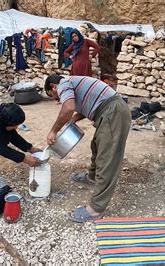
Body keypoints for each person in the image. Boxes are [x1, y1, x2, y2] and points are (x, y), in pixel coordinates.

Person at [44, 75, 131, 223]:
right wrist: (74, 119)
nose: (56, 100)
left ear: (54, 87)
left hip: (113, 113)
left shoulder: (64, 83)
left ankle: (96, 209)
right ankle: (92, 177)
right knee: (97, 145)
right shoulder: (73, 83)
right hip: (109, 111)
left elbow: (68, 107)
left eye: (53, 96)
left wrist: (54, 131)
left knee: (107, 160)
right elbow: (89, 104)